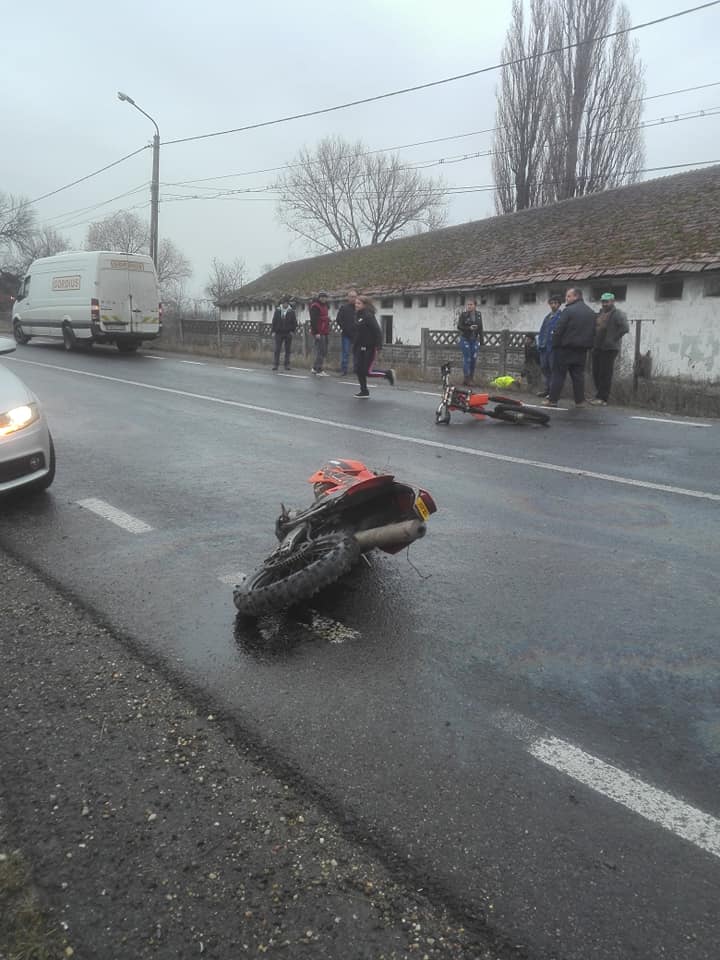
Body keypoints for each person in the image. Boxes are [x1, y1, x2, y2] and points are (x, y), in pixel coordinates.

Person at [544, 287, 596, 407]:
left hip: (565, 349)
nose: (566, 299)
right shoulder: (590, 312)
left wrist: (555, 344)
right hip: (582, 350)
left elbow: (559, 329)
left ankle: (552, 400)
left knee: (558, 375)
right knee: (578, 376)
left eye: (568, 296)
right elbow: (593, 331)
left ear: (576, 296)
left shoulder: (568, 311)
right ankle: (580, 401)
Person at [589, 293, 630, 405]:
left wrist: (613, 339)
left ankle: (603, 398)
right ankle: (598, 395)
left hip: (609, 348)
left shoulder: (618, 314)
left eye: (607, 302)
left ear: (612, 302)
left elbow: (625, 328)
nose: (604, 304)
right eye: (603, 301)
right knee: (596, 372)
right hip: (597, 347)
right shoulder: (600, 313)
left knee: (605, 373)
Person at [352, 295, 395, 397]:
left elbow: (377, 331)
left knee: (367, 371)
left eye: (358, 303)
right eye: (356, 303)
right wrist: (355, 345)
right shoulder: (357, 315)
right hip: (359, 347)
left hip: (370, 347)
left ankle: (387, 374)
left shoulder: (368, 316)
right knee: (358, 370)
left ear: (365, 305)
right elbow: (358, 333)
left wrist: (379, 346)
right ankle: (364, 391)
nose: (356, 305)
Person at [536, 295, 563, 397]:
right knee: (544, 368)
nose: (553, 305)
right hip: (544, 347)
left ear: (559, 304)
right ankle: (547, 389)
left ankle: (553, 392)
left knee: (554, 369)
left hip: (554, 348)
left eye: (555, 303)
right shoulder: (547, 317)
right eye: (551, 303)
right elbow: (542, 331)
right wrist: (540, 344)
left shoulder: (561, 317)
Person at [457, 299, 484, 385]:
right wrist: (469, 328)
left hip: (474, 339)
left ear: (475, 305)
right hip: (465, 339)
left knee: (473, 359)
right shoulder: (463, 315)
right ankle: (467, 378)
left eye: (471, 304)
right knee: (467, 358)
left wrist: (482, 341)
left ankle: (471, 378)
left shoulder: (478, 315)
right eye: (468, 304)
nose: (469, 306)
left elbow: (481, 328)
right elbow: (459, 326)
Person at [270, 296, 297, 370]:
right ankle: (275, 364)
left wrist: (292, 331)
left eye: (286, 303)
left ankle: (287, 364)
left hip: (288, 333)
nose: (285, 304)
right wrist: (273, 331)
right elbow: (274, 321)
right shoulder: (278, 310)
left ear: (288, 304)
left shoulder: (291, 311)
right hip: (278, 332)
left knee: (287, 350)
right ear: (282, 303)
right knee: (277, 349)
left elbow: (294, 322)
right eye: (284, 303)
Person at [335, 288, 357, 375]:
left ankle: (356, 369)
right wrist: (344, 328)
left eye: (354, 297)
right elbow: (338, 319)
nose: (353, 298)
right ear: (348, 297)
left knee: (357, 353)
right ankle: (344, 370)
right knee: (346, 352)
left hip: (357, 335)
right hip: (346, 334)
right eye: (351, 296)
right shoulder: (344, 308)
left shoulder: (358, 308)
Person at [309, 291, 330, 376]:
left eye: (325, 297)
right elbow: (313, 320)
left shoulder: (325, 306)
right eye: (322, 297)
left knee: (323, 351)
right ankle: (319, 369)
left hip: (324, 331)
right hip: (319, 332)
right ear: (319, 298)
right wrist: (316, 332)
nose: (323, 299)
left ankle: (315, 368)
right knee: (320, 350)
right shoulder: (315, 306)